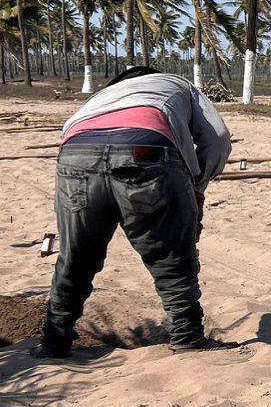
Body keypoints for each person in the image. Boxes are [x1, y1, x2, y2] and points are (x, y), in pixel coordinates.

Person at [39, 66, 235, 357]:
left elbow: (68, 134)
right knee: (170, 255)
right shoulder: (178, 84)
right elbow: (218, 137)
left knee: (76, 258)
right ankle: (187, 338)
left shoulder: (100, 98)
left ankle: (54, 343)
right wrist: (197, 185)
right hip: (146, 148)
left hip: (76, 154)